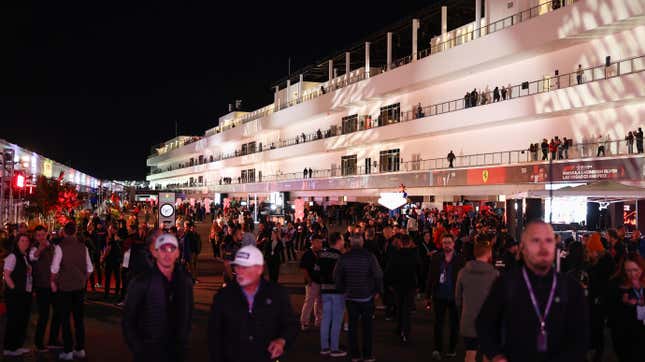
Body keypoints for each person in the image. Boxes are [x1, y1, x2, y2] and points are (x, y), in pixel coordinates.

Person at [476, 221, 589, 362]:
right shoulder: (506, 284)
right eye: (536, 240)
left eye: (548, 240)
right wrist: (495, 355)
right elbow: (484, 323)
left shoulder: (571, 288)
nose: (543, 247)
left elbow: (581, 338)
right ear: (522, 248)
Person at [208, 245, 298, 362]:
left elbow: (291, 325)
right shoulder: (223, 296)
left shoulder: (277, 294)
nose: (239, 271)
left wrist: (282, 340)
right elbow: (213, 335)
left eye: (245, 267)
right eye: (237, 266)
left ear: (259, 269)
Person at [123, 233, 193, 362]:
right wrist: (140, 349)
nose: (167, 253)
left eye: (172, 248)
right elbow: (128, 321)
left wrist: (182, 344)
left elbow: (187, 316)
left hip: (176, 353)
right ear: (155, 252)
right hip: (148, 353)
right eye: (162, 248)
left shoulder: (185, 282)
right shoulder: (140, 282)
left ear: (178, 252)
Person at [334, 235, 383, 362]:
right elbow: (378, 274)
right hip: (366, 295)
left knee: (352, 327)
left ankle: (354, 354)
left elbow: (337, 275)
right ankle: (367, 354)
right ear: (362, 243)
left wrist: (342, 288)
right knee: (367, 327)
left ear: (350, 243)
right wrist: (377, 290)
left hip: (350, 296)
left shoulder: (344, 257)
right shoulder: (370, 256)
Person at [50, 222, 94, 360]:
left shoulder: (60, 247)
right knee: (79, 319)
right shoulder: (83, 247)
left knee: (65, 319)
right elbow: (90, 269)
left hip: (65, 288)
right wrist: (82, 279)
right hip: (79, 288)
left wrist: (53, 281)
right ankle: (80, 348)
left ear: (64, 232)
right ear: (75, 232)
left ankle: (68, 350)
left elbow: (54, 269)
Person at [455, 235, 499, 362]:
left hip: (468, 318)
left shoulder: (463, 272)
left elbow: (457, 298)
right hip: (489, 321)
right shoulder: (494, 274)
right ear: (489, 253)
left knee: (470, 353)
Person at [427, 233, 465, 360]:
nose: (447, 245)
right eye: (444, 243)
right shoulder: (436, 258)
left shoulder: (460, 259)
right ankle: (437, 348)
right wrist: (428, 295)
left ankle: (452, 348)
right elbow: (431, 277)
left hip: (455, 296)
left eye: (449, 242)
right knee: (438, 323)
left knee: (454, 324)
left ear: (453, 244)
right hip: (439, 295)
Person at [607, 253, 645, 362]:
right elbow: (611, 313)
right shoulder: (616, 285)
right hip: (626, 334)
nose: (633, 274)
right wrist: (625, 304)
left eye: (636, 270)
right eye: (628, 270)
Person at [29, 225, 61, 352]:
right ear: (35, 236)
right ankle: (39, 342)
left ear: (47, 234)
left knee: (58, 312)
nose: (41, 237)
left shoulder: (53, 247)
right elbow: (33, 256)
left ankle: (53, 339)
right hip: (42, 287)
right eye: (38, 235)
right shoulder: (34, 248)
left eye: (43, 234)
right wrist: (41, 248)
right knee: (44, 315)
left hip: (54, 285)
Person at [385, 234, 420, 344]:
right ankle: (406, 331)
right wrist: (418, 285)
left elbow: (389, 270)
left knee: (400, 306)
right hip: (410, 285)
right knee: (407, 309)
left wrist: (389, 283)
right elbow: (419, 270)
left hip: (398, 285)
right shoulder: (414, 255)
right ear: (409, 243)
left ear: (401, 243)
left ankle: (400, 328)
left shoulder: (396, 255)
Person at [585, 233, 615, 362]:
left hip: (600, 297)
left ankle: (598, 350)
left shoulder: (603, 263)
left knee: (597, 323)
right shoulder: (604, 260)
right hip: (599, 297)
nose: (589, 253)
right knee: (597, 323)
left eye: (590, 251)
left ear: (595, 251)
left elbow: (600, 281)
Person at [2, 233, 33, 357]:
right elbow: (7, 274)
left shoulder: (24, 256)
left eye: (26, 240)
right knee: (13, 321)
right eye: (22, 240)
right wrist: (14, 288)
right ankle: (9, 347)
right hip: (15, 294)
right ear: (17, 242)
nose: (25, 242)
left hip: (23, 293)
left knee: (21, 320)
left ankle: (16, 346)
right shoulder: (13, 256)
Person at [318, 232, 347, 357]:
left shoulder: (322, 255)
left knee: (325, 319)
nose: (344, 241)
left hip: (325, 289)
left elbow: (316, 271)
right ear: (338, 241)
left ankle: (324, 347)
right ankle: (334, 348)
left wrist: (322, 281)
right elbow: (344, 274)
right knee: (336, 320)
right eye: (342, 239)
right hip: (337, 291)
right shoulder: (341, 256)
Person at [299, 234, 323, 331]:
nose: (321, 244)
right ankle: (304, 322)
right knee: (309, 302)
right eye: (318, 242)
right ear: (313, 242)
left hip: (320, 281)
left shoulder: (321, 253)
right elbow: (304, 268)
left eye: (321, 242)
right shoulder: (308, 254)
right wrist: (309, 280)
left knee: (319, 302)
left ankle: (319, 320)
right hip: (312, 281)